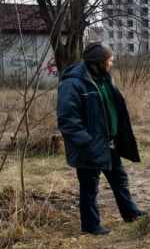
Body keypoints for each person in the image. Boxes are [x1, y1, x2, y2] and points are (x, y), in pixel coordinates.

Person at [56, 43, 144, 235]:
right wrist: (86, 142)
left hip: (109, 142)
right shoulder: (73, 84)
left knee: (120, 179)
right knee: (89, 187)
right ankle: (91, 226)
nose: (112, 62)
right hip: (89, 147)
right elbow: (67, 119)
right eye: (109, 59)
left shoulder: (104, 79)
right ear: (98, 62)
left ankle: (130, 213)